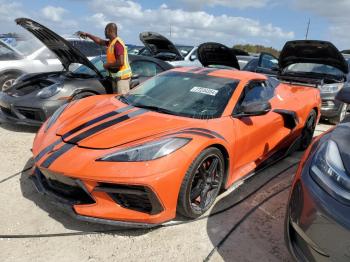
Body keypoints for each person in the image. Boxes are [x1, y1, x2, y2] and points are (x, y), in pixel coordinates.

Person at [77, 23, 132, 94]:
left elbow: (120, 62)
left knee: (122, 100)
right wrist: (87, 34)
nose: (104, 33)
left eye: (105, 30)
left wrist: (107, 65)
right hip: (116, 77)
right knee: (116, 100)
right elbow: (99, 41)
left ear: (109, 31)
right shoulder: (111, 42)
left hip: (122, 79)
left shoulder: (117, 44)